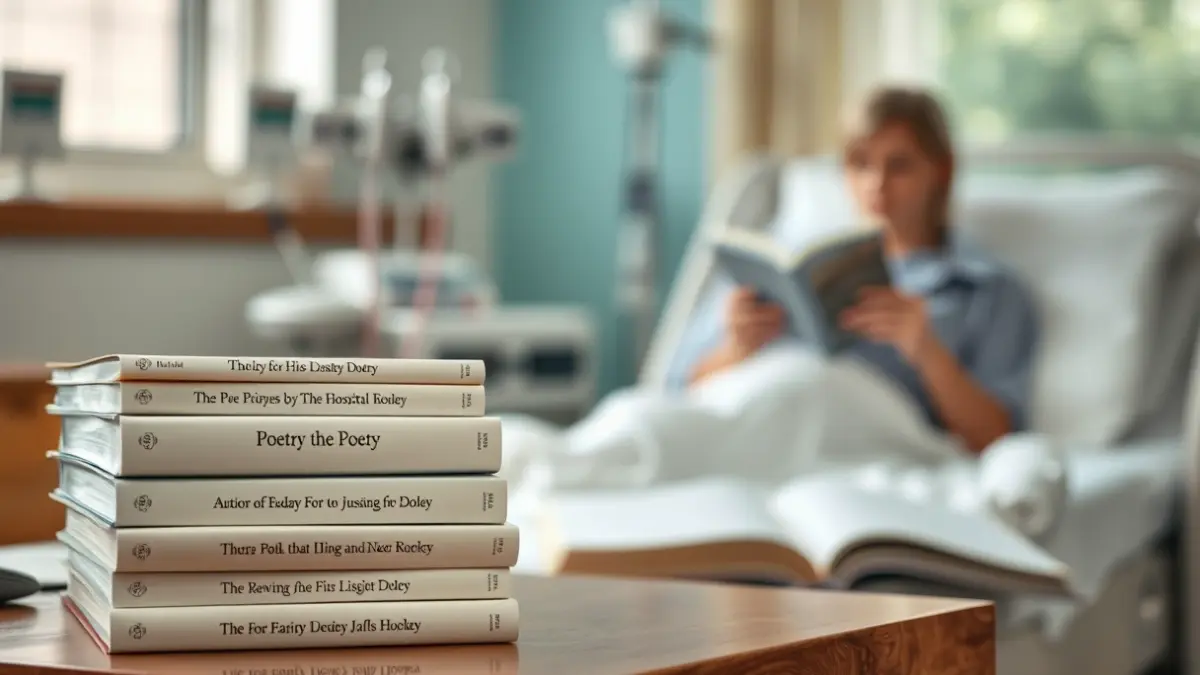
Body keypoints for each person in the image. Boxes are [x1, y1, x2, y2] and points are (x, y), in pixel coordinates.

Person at [686, 85, 1040, 454]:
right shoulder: (782, 265)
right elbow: (680, 388)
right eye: (860, 164)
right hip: (750, 424)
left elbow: (999, 439)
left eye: (899, 165)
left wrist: (926, 352)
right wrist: (735, 349)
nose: (877, 185)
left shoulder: (987, 289)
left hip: (856, 439)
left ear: (941, 169)